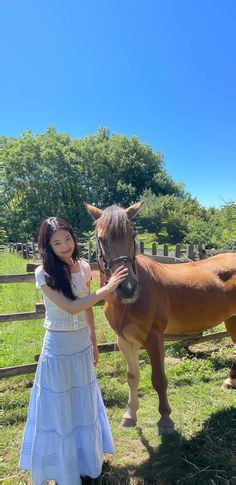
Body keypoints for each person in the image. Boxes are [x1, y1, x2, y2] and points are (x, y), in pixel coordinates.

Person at [19, 217, 128, 485]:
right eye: (57, 242)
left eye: (67, 238)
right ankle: (61, 470)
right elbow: (70, 307)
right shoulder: (43, 273)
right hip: (57, 347)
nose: (65, 246)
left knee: (82, 405)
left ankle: (86, 463)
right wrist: (106, 290)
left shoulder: (83, 267)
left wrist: (92, 338)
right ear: (47, 246)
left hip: (80, 344)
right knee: (60, 408)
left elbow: (87, 307)